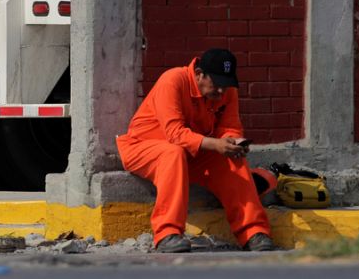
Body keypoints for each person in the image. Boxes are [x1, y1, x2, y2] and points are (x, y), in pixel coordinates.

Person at [116, 48, 274, 253]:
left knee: (234, 159)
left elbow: (230, 127)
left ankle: (253, 232)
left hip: (191, 152)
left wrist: (231, 142)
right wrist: (216, 144)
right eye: (216, 84)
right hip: (142, 147)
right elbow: (174, 133)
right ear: (199, 73)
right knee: (173, 152)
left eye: (225, 86)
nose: (221, 92)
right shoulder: (173, 80)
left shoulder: (226, 90)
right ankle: (167, 234)